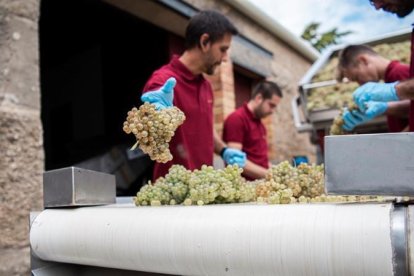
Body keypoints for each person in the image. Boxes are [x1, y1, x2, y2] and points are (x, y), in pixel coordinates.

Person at [140, 10, 246, 180]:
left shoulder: (205, 86)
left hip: (202, 190)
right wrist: (156, 116)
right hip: (172, 194)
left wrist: (224, 150)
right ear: (205, 42)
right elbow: (148, 135)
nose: (225, 58)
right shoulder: (163, 81)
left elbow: (205, 128)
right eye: (223, 49)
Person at [344, 0, 414, 132]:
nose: (377, 7)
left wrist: (393, 91)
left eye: (357, 77)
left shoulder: (397, 74)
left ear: (363, 60)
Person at [337, 44, 410, 131]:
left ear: (363, 60)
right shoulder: (389, 78)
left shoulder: (398, 72)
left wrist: (401, 140)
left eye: (357, 77)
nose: (360, 84)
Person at [222, 81, 283, 180]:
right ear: (259, 98)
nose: (272, 111)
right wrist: (270, 175)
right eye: (271, 105)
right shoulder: (237, 119)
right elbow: (235, 161)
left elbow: (261, 159)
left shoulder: (261, 125)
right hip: (246, 188)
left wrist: (277, 172)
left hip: (262, 186)